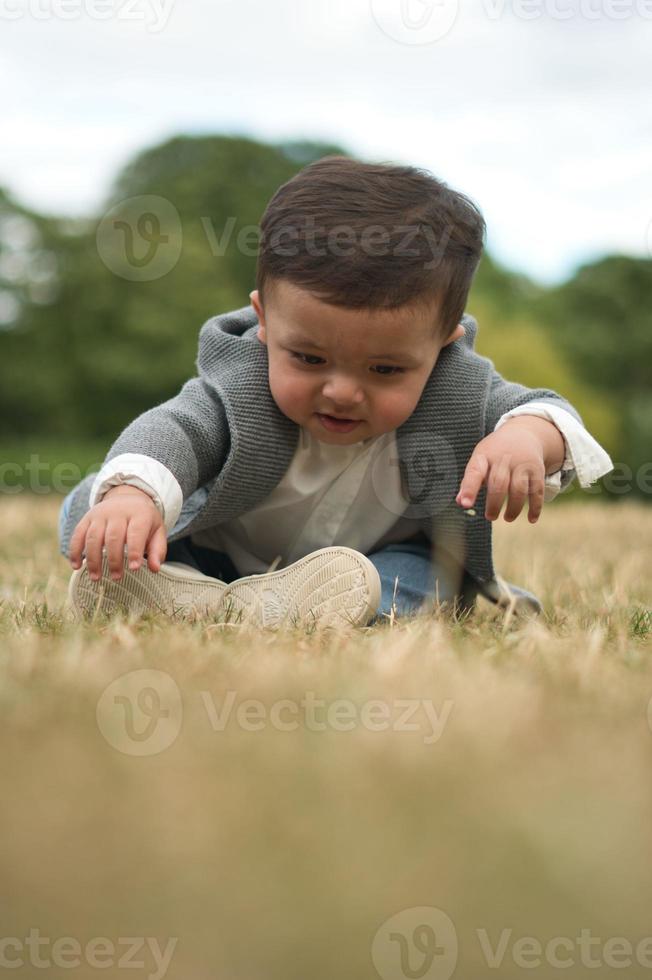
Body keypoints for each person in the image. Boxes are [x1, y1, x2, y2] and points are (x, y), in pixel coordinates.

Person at [59, 156, 612, 629]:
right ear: (265, 324)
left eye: (386, 369)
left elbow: (549, 413)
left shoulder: (457, 388)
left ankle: (260, 606)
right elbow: (178, 429)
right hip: (218, 551)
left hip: (369, 564)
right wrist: (135, 495)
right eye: (310, 359)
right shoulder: (242, 385)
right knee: (158, 544)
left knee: (425, 582)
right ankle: (190, 591)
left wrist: (527, 437)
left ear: (444, 345)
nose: (343, 391)